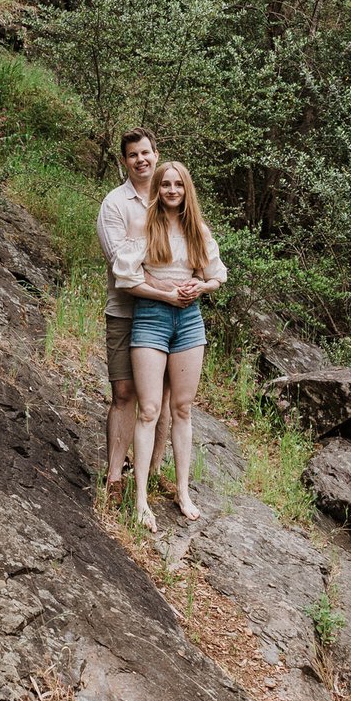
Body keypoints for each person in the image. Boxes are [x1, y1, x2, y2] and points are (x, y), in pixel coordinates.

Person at [129, 160, 225, 529]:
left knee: (182, 408)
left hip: (188, 321)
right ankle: (140, 501)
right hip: (151, 317)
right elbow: (127, 278)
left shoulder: (197, 229)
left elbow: (215, 276)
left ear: (187, 190)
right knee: (150, 409)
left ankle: (183, 491)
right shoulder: (145, 226)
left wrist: (200, 286)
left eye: (178, 185)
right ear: (157, 188)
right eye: (165, 184)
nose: (171, 190)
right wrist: (163, 293)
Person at [96, 129, 162, 495]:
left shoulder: (172, 193)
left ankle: (150, 472)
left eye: (146, 152)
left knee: (162, 399)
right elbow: (122, 265)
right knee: (124, 392)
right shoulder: (114, 205)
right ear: (124, 161)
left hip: (166, 316)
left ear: (156, 154)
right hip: (126, 311)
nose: (141, 159)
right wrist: (167, 282)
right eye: (133, 154)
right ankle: (115, 476)